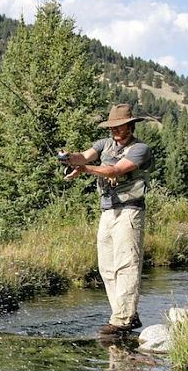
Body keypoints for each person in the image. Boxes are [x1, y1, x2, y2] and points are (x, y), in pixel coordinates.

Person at [61, 104, 152, 335]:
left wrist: (84, 169)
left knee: (127, 264)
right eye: (112, 127)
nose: (115, 131)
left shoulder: (140, 149)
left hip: (130, 210)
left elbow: (115, 171)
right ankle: (125, 314)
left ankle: (122, 319)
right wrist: (69, 157)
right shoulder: (104, 144)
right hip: (108, 211)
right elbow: (84, 156)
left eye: (119, 127)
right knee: (107, 267)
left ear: (130, 126)